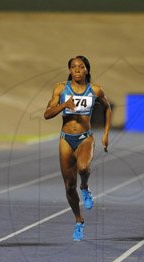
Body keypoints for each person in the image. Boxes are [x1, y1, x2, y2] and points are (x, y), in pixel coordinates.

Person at [44, 56, 111, 241]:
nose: (77, 70)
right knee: (68, 186)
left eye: (81, 67)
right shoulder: (60, 89)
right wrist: (64, 105)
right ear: (69, 70)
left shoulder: (95, 90)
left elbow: (107, 108)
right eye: (73, 67)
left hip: (85, 138)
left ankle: (85, 187)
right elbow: (47, 114)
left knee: (83, 167)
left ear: (87, 70)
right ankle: (79, 221)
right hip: (66, 139)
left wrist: (105, 133)